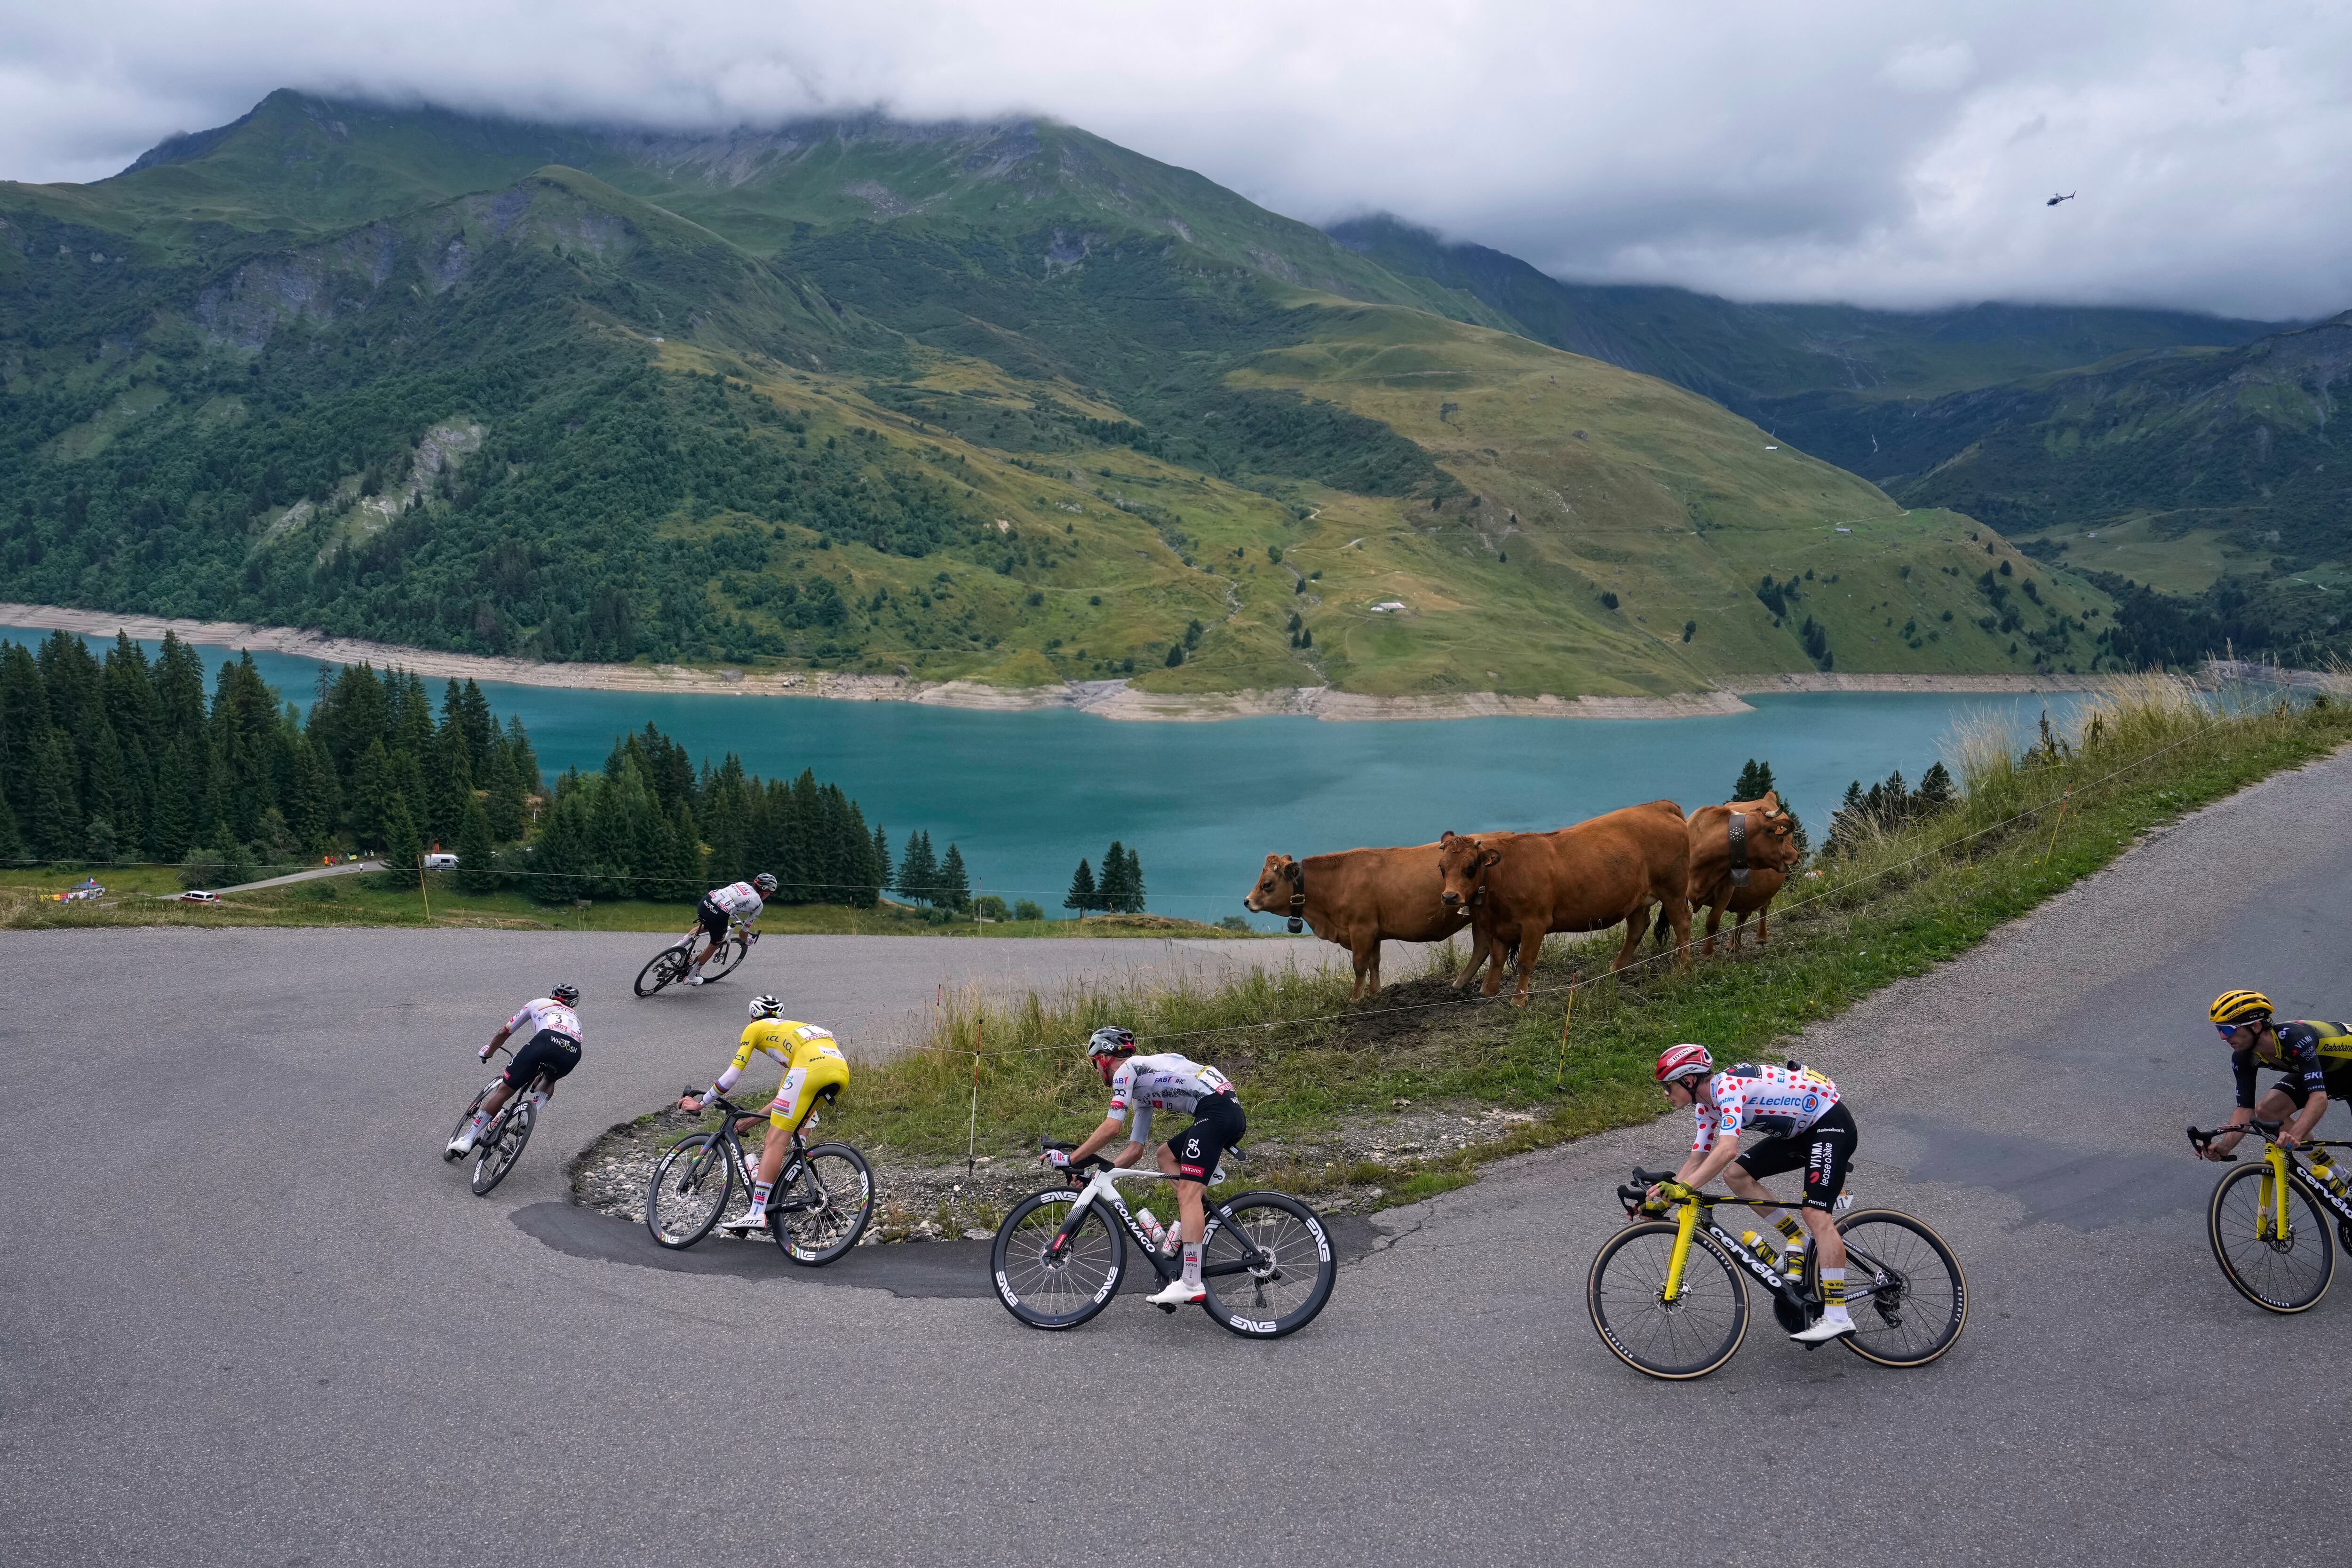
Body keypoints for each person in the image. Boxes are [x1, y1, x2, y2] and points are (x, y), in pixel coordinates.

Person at [1650, 1043, 1859, 1344]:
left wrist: (1683, 1188)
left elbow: (1727, 1149)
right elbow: (1697, 1161)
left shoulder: (1728, 1088)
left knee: (1816, 1214)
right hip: (1800, 1134)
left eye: (1668, 1086)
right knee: (1736, 1176)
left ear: (1689, 1080)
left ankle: (1838, 1317)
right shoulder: (1706, 1107)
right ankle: (1797, 1240)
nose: (1666, 1094)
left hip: (1829, 1124)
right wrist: (1658, 1204)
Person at [1044, 1026, 1245, 1309]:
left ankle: (1191, 1283)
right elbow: (1135, 1150)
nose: (1098, 1071)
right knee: (1165, 1157)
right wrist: (1095, 1176)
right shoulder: (1142, 1081)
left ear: (1103, 1058)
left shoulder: (1127, 1071)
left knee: (1187, 1194)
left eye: (1095, 1064)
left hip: (1216, 1112)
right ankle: (1188, 1221)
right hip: (1222, 1110)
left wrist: (1072, 1159)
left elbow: (1112, 1128)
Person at [677, 996, 850, 1232]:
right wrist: (748, 1123)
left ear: (752, 1017)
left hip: (810, 1069)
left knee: (774, 1140)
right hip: (839, 1072)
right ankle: (806, 1191)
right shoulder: (795, 1030)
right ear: (779, 1016)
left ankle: (757, 1212)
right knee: (796, 1140)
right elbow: (783, 1100)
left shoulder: (755, 1028)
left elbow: (730, 1078)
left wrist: (701, 1104)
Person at [2197, 990, 2352, 1159]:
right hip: (2328, 1071)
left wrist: (2295, 1135)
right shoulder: (2244, 1056)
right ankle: (2333, 1173)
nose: (2223, 1037)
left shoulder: (2295, 1038)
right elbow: (2245, 1110)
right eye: (2219, 1029)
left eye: (2227, 1029)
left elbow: (2319, 1098)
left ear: (2256, 1027)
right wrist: (2224, 1147)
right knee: (2267, 1111)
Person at [449, 984, 583, 1157]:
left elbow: (503, 1033)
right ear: (573, 1004)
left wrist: (489, 1052)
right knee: (550, 1079)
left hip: (546, 1041)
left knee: (505, 1091)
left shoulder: (538, 1003)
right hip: (573, 1052)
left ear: (552, 995)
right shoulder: (576, 1017)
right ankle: (530, 1114)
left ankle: (468, 1139)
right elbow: (560, 1048)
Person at [688, 872, 777, 984]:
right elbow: (743, 934)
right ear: (765, 892)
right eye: (770, 894)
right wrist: (747, 940)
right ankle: (691, 976)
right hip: (718, 914)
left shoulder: (742, 884)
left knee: (706, 926)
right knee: (715, 944)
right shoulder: (759, 904)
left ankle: (676, 949)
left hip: (706, 901)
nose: (769, 896)